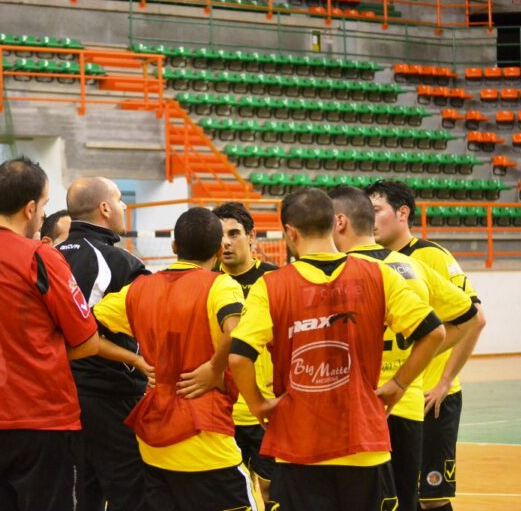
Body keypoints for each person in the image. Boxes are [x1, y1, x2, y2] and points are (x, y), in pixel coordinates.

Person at [0, 157, 150, 511]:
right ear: (30, 207)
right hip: (39, 420)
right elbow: (84, 342)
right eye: (45, 205)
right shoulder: (39, 257)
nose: (43, 215)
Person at [228, 188, 446, 511]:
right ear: (335, 224)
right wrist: (399, 384)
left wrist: (259, 404)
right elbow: (435, 333)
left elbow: (238, 356)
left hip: (299, 447)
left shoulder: (271, 286)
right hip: (365, 445)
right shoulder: (379, 276)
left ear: (290, 232)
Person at [94, 207, 262, 511]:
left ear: (174, 247)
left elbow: (83, 334)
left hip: (154, 443)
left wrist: (135, 361)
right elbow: (239, 333)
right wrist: (214, 368)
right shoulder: (220, 285)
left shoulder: (138, 290)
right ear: (217, 250)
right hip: (205, 437)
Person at [328, 185, 482, 511]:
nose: (371, 217)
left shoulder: (429, 257)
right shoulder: (381, 264)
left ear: (403, 213)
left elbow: (473, 318)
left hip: (427, 396)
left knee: (430, 496)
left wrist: (439, 377)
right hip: (397, 394)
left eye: (377, 209)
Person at [56, 177, 150, 511]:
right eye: (121, 200)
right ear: (105, 208)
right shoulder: (119, 262)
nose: (125, 207)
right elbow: (152, 323)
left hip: (59, 398)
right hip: (111, 394)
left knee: (83, 494)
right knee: (133, 493)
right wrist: (139, 361)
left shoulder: (49, 257)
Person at [212, 202, 278, 509]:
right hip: (222, 412)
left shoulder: (279, 280)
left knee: (273, 492)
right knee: (231, 500)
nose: (225, 242)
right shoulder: (207, 283)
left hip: (269, 410)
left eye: (234, 233)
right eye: (219, 235)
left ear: (251, 236)